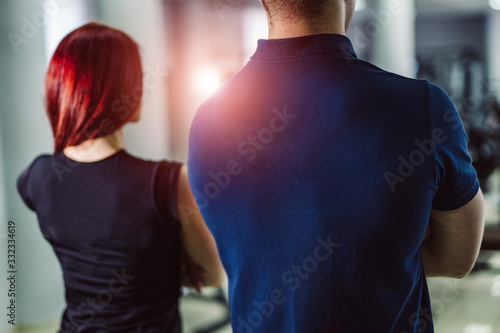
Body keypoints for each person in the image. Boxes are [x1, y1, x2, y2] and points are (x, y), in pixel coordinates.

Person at [187, 0, 484, 332]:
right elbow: (458, 258)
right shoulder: (422, 106)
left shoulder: (207, 120)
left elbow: (250, 255)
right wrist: (390, 245)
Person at [17, 22, 224, 333]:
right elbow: (212, 276)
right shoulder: (168, 182)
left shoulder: (36, 178)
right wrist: (164, 263)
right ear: (126, 89)